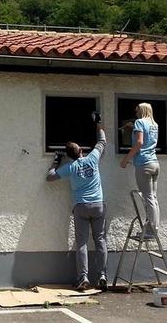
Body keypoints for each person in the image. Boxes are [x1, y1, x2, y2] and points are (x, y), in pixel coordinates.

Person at [46, 112, 107, 291]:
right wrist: (98, 123)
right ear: (81, 151)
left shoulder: (70, 167)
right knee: (100, 240)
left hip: (80, 206)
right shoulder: (93, 158)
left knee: (81, 243)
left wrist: (56, 160)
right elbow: (102, 141)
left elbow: (49, 178)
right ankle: (102, 275)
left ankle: (84, 278)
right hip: (98, 205)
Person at [119, 102, 160, 239]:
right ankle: (154, 228)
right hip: (154, 163)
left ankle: (150, 232)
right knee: (153, 198)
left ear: (141, 111)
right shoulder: (154, 124)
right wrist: (133, 129)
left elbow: (139, 143)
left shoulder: (139, 122)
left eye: (137, 111)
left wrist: (126, 159)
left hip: (144, 164)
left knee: (148, 198)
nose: (135, 113)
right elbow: (147, 140)